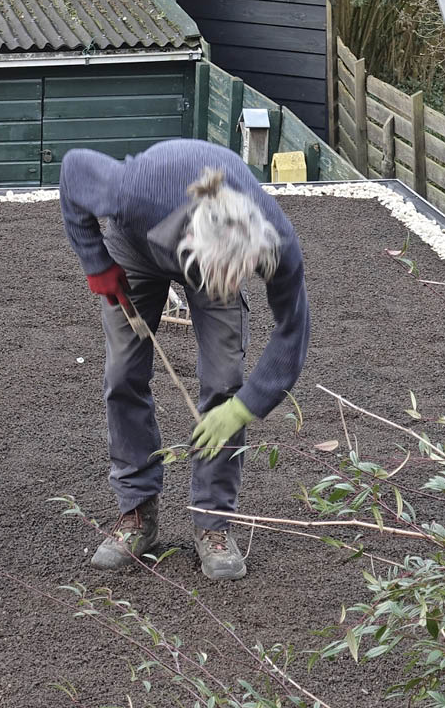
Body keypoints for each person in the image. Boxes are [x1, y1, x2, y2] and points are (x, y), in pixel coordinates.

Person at [59, 139, 310, 580]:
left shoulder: (272, 241)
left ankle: (212, 521)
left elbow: (293, 331)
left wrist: (243, 407)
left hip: (217, 260)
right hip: (136, 250)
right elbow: (74, 170)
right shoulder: (134, 190)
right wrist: (97, 263)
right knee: (123, 375)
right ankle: (137, 513)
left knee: (225, 381)